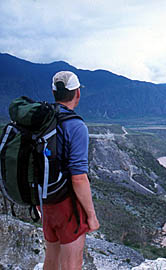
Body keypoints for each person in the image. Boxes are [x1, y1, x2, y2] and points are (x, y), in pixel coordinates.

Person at [41, 71, 99, 270]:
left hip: (45, 202)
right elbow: (79, 178)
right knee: (71, 264)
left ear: (53, 92)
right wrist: (91, 216)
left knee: (51, 258)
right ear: (77, 94)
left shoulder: (43, 120)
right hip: (67, 204)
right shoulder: (75, 125)